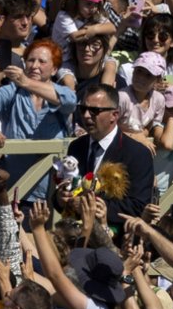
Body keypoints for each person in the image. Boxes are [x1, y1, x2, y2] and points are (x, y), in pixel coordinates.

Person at [65, 83, 155, 219]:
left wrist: (91, 206)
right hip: (76, 233)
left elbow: (138, 206)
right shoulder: (76, 147)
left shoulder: (138, 154)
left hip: (115, 236)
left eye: (94, 111)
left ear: (114, 115)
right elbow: (68, 191)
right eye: (83, 109)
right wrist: (61, 198)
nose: (86, 115)